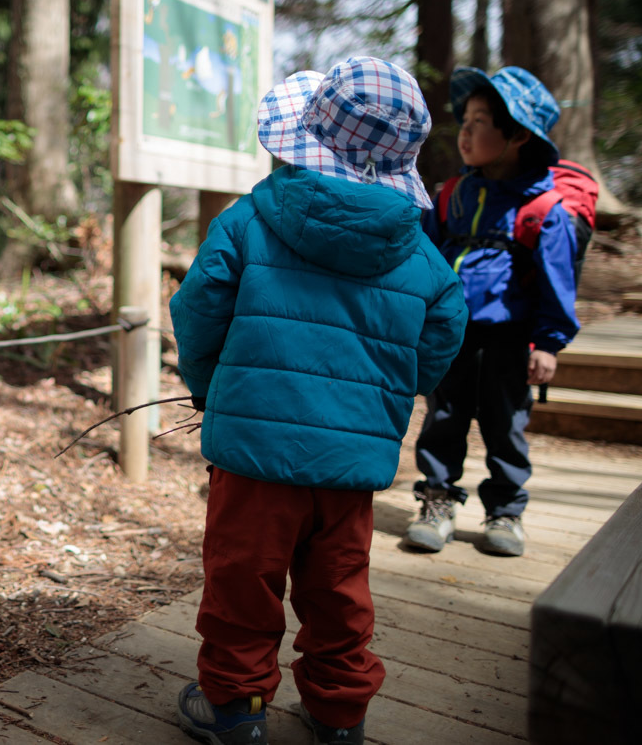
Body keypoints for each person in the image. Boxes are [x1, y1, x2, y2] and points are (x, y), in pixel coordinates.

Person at [170, 57, 468, 745]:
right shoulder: (421, 255)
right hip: (352, 461)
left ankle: (237, 713)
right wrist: (392, 390)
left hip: (252, 461)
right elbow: (444, 334)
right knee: (339, 592)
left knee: (242, 585)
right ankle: (339, 716)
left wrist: (212, 385)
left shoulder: (248, 221)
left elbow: (197, 310)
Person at [405, 66, 580, 558]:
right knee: (444, 415)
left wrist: (548, 343)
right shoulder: (451, 196)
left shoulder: (544, 210)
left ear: (518, 134)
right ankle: (437, 501)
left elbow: (557, 283)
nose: (466, 129)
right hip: (452, 334)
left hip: (510, 336)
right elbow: (427, 262)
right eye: (466, 118)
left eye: (482, 120)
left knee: (505, 424)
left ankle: (505, 511)